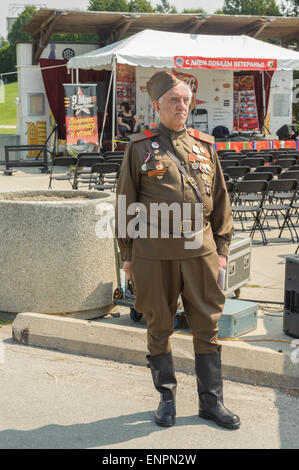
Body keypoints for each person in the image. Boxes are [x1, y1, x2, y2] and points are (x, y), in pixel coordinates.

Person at [115, 71, 240, 430]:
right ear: (157, 106)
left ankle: (211, 403)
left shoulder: (204, 145)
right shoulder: (139, 147)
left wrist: (222, 249)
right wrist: (127, 256)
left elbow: (220, 202)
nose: (181, 106)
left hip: (199, 249)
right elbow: (126, 203)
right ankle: (166, 400)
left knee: (208, 324)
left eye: (185, 100)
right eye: (173, 100)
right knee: (159, 324)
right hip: (153, 252)